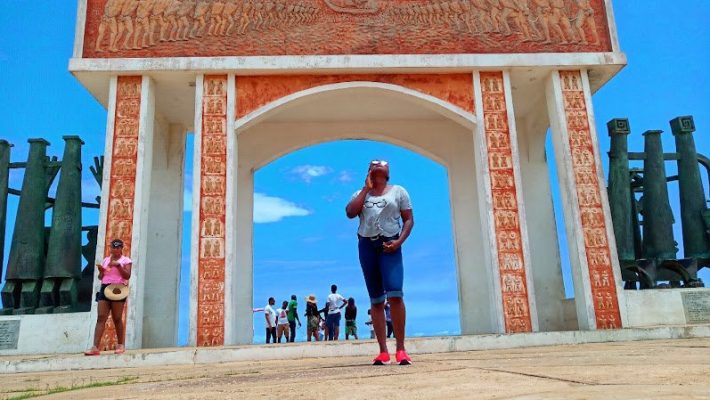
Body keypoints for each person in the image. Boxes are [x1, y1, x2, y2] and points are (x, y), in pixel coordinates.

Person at [346, 159, 414, 365]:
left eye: (381, 164)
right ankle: (383, 351)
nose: (378, 165)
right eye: (373, 164)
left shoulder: (399, 191)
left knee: (395, 294)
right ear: (368, 172)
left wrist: (399, 242)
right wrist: (366, 189)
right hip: (367, 246)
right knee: (376, 299)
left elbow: (409, 219)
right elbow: (350, 213)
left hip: (390, 245)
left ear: (388, 171)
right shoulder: (360, 194)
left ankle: (401, 349)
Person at [84, 239, 133, 356]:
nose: (115, 250)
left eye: (117, 247)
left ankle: (120, 345)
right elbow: (101, 277)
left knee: (117, 317)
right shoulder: (106, 260)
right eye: (113, 247)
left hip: (118, 288)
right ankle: (95, 347)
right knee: (101, 317)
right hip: (105, 287)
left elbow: (127, 275)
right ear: (110, 248)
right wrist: (101, 271)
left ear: (121, 248)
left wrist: (119, 266)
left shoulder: (126, 260)